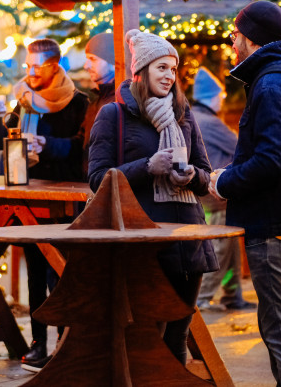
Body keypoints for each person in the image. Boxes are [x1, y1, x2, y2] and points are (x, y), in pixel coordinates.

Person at [209, 0, 281, 387]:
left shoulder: (272, 85)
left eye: (235, 35)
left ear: (250, 38)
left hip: (276, 227)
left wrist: (224, 181)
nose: (232, 42)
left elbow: (271, 161)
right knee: (280, 330)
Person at [88, 29, 217, 365]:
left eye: (173, 69)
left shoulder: (184, 114)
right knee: (142, 339)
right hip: (142, 243)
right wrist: (148, 166)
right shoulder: (114, 115)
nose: (169, 76)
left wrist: (192, 175)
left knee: (177, 339)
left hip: (187, 242)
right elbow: (98, 179)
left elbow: (205, 173)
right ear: (141, 71)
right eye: (162, 68)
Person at [0, 38, 89, 371]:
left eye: (36, 66)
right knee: (34, 273)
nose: (29, 72)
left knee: (58, 272)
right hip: (29, 197)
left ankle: (66, 341)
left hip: (64, 200)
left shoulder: (78, 103)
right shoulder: (24, 101)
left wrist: (47, 145)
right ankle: (38, 342)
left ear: (55, 65)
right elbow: (2, 143)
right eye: (26, 66)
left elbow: (82, 148)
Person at [191, 68, 256, 312]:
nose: (222, 100)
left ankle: (233, 295)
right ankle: (201, 297)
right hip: (216, 195)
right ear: (211, 97)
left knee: (229, 249)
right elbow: (240, 146)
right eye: (220, 95)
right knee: (220, 246)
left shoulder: (196, 116)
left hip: (209, 194)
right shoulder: (209, 122)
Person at [80, 32, 117, 178]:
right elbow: (81, 144)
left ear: (113, 62)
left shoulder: (120, 101)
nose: (86, 65)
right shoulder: (96, 102)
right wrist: (47, 144)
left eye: (93, 59)